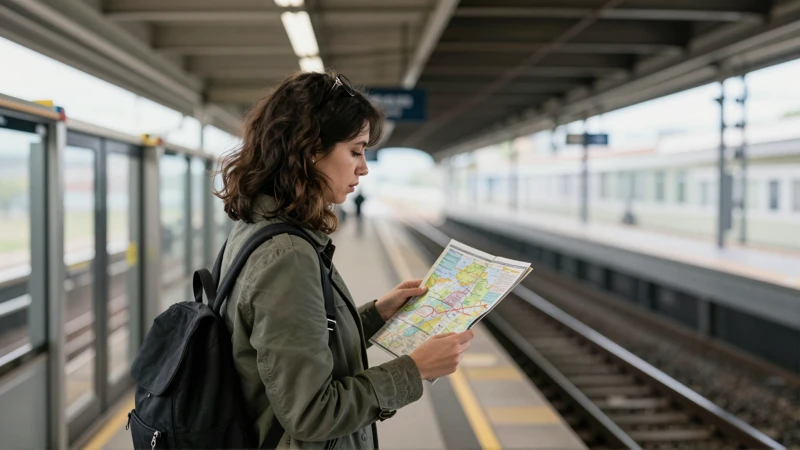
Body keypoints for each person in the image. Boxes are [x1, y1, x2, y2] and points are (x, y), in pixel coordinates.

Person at [214, 71, 475, 450]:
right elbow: (311, 413)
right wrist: (414, 371)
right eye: (355, 150)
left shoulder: (258, 227)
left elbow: (292, 341)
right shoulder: (286, 256)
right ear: (310, 150)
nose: (364, 167)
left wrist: (373, 315)